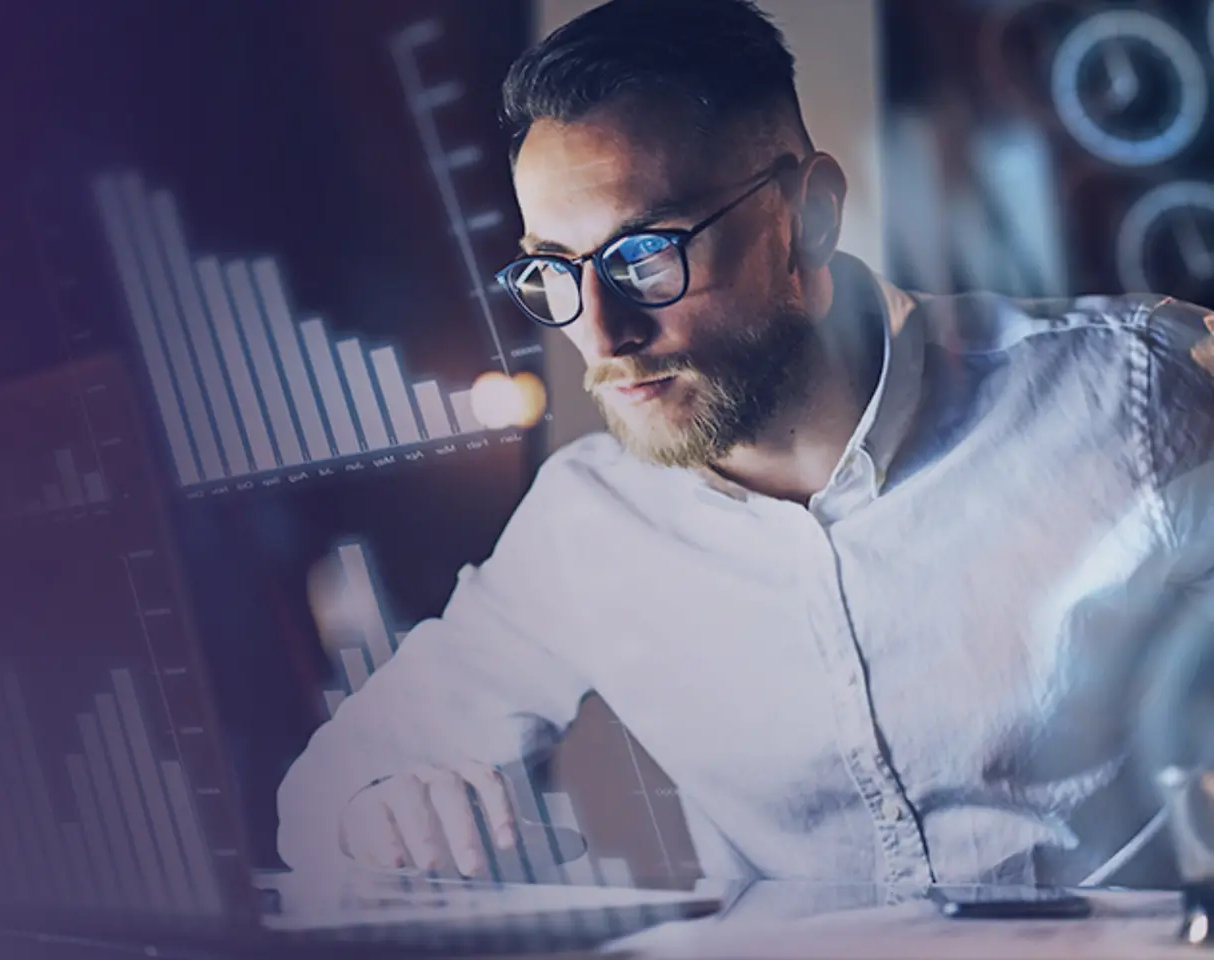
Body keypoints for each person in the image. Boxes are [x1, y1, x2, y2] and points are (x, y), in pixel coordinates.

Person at [277, 0, 1214, 891]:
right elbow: (323, 797)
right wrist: (388, 815)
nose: (601, 335)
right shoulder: (589, 521)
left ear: (808, 217)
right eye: (552, 270)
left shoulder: (1125, 396)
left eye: (644, 254)